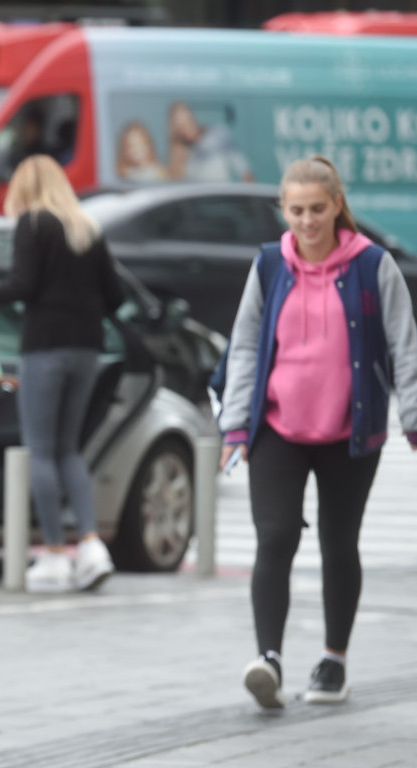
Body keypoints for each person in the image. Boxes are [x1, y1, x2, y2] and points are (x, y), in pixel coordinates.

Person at [218, 156, 417, 710]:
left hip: (350, 429)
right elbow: (244, 347)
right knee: (276, 535)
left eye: (317, 209)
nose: (306, 221)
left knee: (338, 543)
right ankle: (269, 661)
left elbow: (405, 345)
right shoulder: (268, 266)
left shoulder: (372, 265)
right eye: (296, 210)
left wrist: (413, 418)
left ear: (336, 206)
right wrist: (235, 426)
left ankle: (334, 661)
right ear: (284, 210)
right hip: (277, 426)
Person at [0, 154, 124, 593]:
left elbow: (23, 285)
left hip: (45, 347)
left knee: (41, 449)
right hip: (87, 349)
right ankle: (90, 546)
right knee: (69, 449)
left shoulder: (33, 223)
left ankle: (54, 553)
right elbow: (116, 294)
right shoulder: (86, 227)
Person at [166, 101, 253, 183]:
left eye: (187, 120)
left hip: (223, 194)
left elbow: (243, 169)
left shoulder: (218, 133)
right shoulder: (182, 153)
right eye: (181, 126)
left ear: (192, 117)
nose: (186, 128)